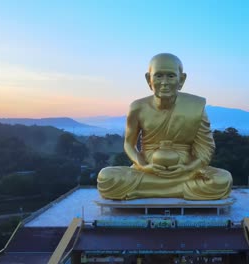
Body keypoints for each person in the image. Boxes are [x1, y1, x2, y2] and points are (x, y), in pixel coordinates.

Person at [97, 53, 232, 200]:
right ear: (149, 79)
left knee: (222, 179)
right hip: (148, 169)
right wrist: (143, 166)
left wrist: (188, 168)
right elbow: (129, 144)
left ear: (182, 79)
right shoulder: (138, 108)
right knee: (106, 177)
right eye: (159, 76)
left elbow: (205, 149)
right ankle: (177, 191)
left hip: (184, 170)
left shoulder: (195, 107)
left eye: (171, 76)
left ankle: (144, 192)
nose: (164, 82)